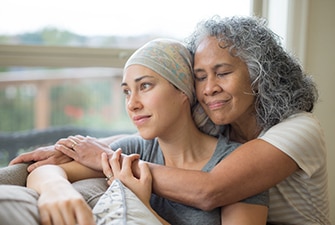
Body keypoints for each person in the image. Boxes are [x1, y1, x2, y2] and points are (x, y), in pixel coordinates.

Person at [0, 15, 330, 224]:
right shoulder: (217, 119)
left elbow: (211, 189)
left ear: (260, 75)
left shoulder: (298, 129)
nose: (209, 88)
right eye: (200, 76)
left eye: (223, 73)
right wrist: (60, 172)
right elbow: (147, 139)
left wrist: (115, 172)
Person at [25, 38, 269, 225]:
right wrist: (55, 190)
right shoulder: (133, 151)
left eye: (145, 86)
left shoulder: (235, 166)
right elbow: (45, 170)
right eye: (127, 92)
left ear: (183, 90)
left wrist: (143, 208)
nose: (132, 104)